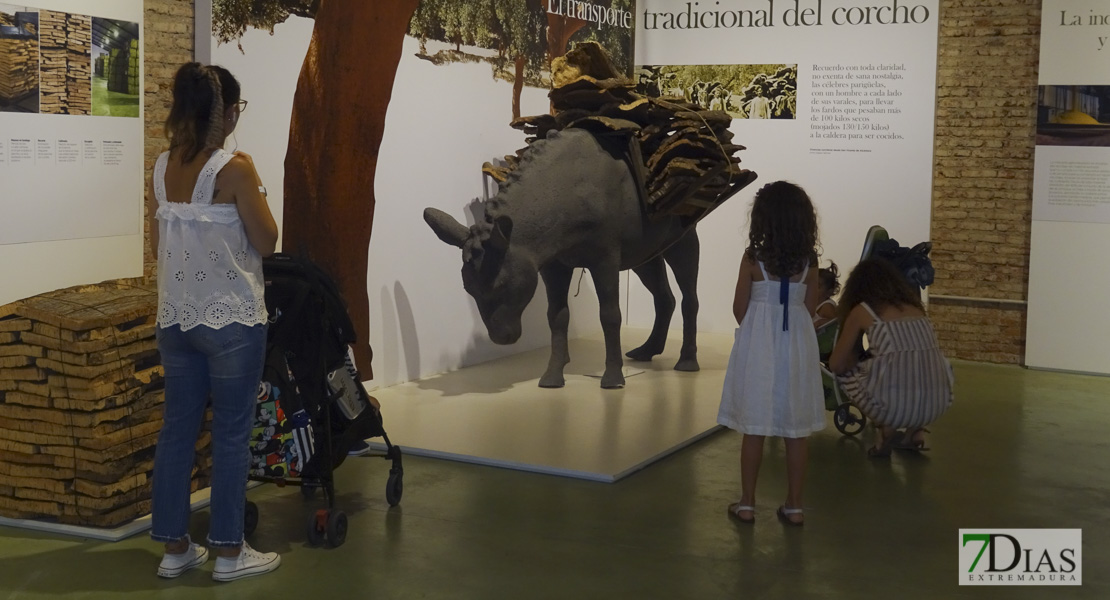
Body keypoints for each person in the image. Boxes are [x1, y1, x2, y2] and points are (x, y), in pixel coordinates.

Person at [147, 62, 281, 582]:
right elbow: (268, 241)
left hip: (175, 319)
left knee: (177, 430)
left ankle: (175, 547)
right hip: (231, 321)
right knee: (229, 433)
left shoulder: (159, 169)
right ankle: (229, 551)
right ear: (225, 112)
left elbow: (159, 247)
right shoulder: (237, 169)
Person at [717, 181, 825, 527]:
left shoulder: (753, 259)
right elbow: (810, 310)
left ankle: (747, 504)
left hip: (759, 346)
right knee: (796, 430)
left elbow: (738, 308)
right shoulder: (809, 262)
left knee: (755, 426)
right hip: (796, 345)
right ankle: (794, 506)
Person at [829, 259, 953, 457]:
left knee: (846, 373)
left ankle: (886, 425)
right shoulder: (917, 309)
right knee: (915, 367)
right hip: (937, 403)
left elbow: (837, 363)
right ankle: (915, 432)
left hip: (893, 408)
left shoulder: (862, 311)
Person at [813, 262, 840, 330]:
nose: (813, 288)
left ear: (829, 292)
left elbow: (837, 323)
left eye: (818, 286)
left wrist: (820, 322)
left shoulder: (826, 306)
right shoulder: (814, 305)